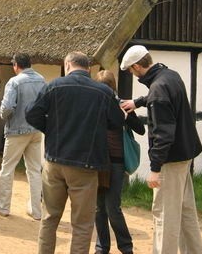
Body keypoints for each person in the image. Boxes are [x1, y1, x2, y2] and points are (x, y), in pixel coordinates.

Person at [26, 52, 125, 254]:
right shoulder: (103, 92)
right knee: (82, 225)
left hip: (54, 161)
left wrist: (50, 130)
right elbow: (116, 122)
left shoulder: (54, 86)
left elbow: (31, 113)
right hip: (86, 166)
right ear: (88, 68)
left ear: (67, 65)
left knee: (49, 218)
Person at [119, 45, 202, 254]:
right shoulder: (170, 75)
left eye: (131, 70)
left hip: (170, 160)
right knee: (185, 211)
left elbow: (163, 135)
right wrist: (137, 102)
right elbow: (160, 96)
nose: (132, 73)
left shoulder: (158, 89)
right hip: (185, 154)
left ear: (138, 66)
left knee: (164, 215)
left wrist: (155, 168)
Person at [0, 53, 46, 220]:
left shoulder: (14, 82)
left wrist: (3, 116)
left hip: (17, 130)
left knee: (7, 168)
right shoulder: (41, 80)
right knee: (35, 170)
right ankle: (36, 210)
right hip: (36, 130)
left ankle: (3, 206)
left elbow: (6, 107)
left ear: (16, 66)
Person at [93, 70, 145, 254]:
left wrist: (126, 117)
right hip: (98, 162)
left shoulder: (122, 105)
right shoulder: (94, 104)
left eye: (106, 88)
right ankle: (101, 247)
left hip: (117, 162)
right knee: (98, 207)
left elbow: (140, 130)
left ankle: (126, 246)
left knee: (112, 206)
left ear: (112, 88)